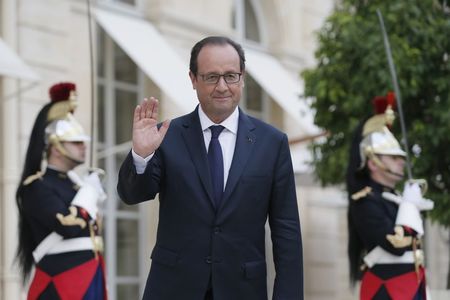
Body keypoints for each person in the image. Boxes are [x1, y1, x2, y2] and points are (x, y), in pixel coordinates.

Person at [117, 36, 303, 299]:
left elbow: (287, 231)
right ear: (193, 79)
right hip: (173, 288)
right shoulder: (166, 136)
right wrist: (140, 155)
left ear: (243, 77)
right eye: (211, 77)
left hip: (242, 290)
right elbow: (132, 195)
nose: (222, 86)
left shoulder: (272, 143)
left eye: (231, 76)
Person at [15, 82, 108, 299]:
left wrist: (88, 189)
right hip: (60, 284)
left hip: (91, 276)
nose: (83, 146)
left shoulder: (76, 184)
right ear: (56, 147)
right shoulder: (36, 186)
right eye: (76, 142)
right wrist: (89, 192)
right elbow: (67, 226)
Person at [346, 93, 433, 299]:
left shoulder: (395, 198)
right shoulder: (365, 201)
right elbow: (394, 245)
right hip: (386, 290)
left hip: (411, 287)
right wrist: (409, 207)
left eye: (401, 157)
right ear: (373, 162)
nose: (401, 162)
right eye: (394, 157)